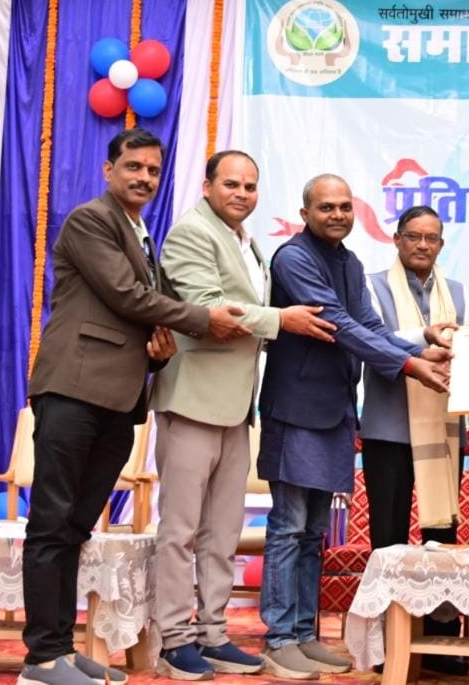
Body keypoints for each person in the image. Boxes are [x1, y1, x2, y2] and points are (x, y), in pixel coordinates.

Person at [21, 129, 249, 685]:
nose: (144, 177)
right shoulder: (91, 221)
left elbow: (142, 313)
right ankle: (41, 659)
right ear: (109, 170)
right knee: (51, 524)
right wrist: (202, 320)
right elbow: (127, 295)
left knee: (76, 527)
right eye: (133, 167)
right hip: (73, 390)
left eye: (152, 170)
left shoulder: (142, 234)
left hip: (119, 400)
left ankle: (62, 648)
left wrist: (158, 350)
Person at [149, 150, 339, 679]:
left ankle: (212, 633)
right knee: (181, 531)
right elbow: (211, 310)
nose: (242, 193)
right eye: (231, 183)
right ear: (207, 185)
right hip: (192, 399)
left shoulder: (246, 241)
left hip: (235, 407)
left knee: (223, 531)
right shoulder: (191, 233)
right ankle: (174, 639)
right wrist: (281, 319)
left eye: (250, 186)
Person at [256, 175, 450, 680]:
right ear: (305, 213)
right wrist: (410, 365)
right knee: (289, 527)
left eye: (345, 206)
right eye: (327, 207)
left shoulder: (349, 262)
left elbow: (372, 328)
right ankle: (279, 638)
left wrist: (421, 349)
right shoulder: (293, 258)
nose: (338, 214)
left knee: (313, 532)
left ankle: (304, 633)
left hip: (335, 411)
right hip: (296, 409)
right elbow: (340, 325)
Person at [361, 204, 469, 677]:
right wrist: (424, 339)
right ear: (397, 239)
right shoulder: (371, 286)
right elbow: (373, 340)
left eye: (431, 238)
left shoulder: (460, 293)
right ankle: (388, 641)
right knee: (388, 540)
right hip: (388, 429)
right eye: (414, 236)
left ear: (442, 244)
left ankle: (440, 640)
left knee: (441, 539)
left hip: (444, 431)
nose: (423, 245)